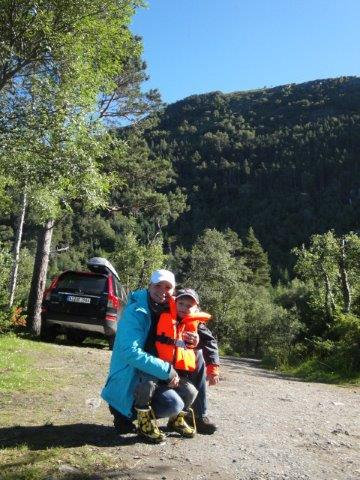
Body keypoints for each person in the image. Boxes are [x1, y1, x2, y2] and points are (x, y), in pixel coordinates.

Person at [101, 269, 219, 441]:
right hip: (132, 376)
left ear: (173, 292)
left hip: (157, 368)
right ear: (149, 286)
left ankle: (194, 416)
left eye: (167, 287)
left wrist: (195, 341)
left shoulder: (175, 309)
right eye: (158, 285)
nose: (162, 291)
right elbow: (130, 352)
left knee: (197, 360)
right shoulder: (137, 311)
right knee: (170, 401)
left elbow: (205, 340)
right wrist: (168, 371)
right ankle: (127, 414)